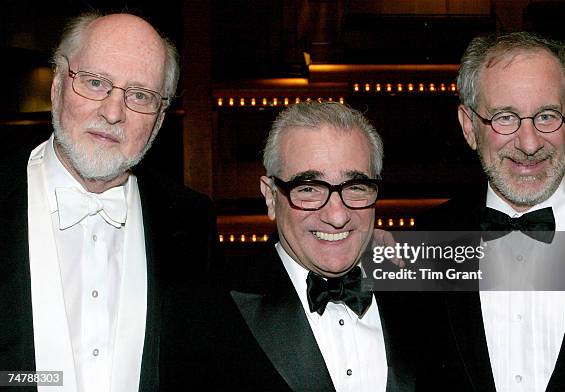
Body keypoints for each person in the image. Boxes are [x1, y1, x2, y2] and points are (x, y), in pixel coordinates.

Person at [0, 12, 216, 392]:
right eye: (96, 83)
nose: (113, 112)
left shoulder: (190, 222)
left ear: (161, 117)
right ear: (57, 86)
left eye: (139, 96)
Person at [160, 101, 418, 391]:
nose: (337, 215)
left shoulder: (422, 293)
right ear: (270, 196)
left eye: (355, 187)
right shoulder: (202, 312)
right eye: (308, 188)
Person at [420, 32, 565, 391]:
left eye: (547, 116)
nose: (528, 144)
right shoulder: (426, 238)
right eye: (505, 117)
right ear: (469, 127)